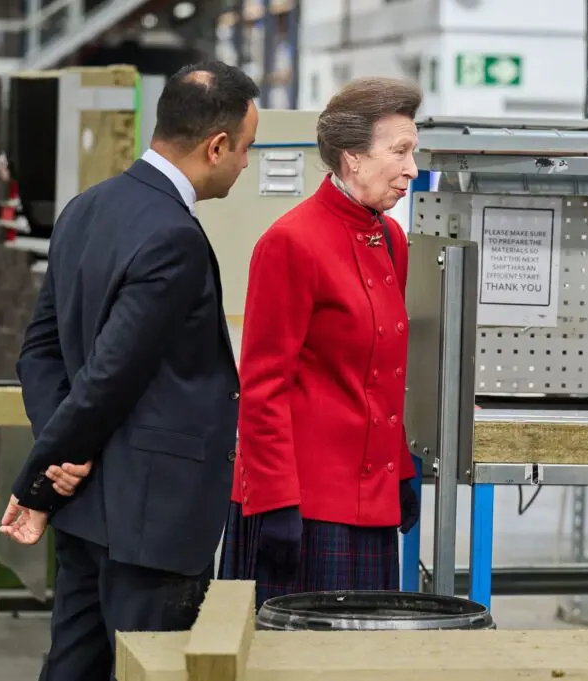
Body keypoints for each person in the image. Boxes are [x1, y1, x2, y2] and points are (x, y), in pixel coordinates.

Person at [0, 61, 259, 681]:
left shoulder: (86, 208)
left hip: (88, 506)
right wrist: (40, 479)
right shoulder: (175, 236)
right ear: (215, 146)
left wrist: (60, 459)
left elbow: (40, 353)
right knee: (155, 669)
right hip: (154, 516)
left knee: (73, 665)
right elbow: (111, 375)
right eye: (246, 150)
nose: (247, 165)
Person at [218, 76, 421, 608]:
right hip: (303, 507)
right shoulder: (290, 242)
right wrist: (275, 502)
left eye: (413, 152)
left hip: (372, 501)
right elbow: (262, 387)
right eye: (399, 152)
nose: (412, 170)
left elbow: (383, 376)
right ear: (352, 158)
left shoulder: (392, 240)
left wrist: (400, 468)